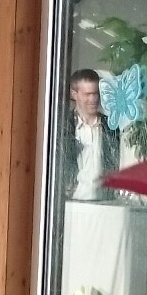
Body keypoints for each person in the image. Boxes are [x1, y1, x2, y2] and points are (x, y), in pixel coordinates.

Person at [59, 68, 118, 203]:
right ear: (74, 94)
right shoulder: (62, 128)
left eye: (96, 93)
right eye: (87, 94)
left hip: (107, 203)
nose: (93, 99)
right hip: (72, 202)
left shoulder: (111, 127)